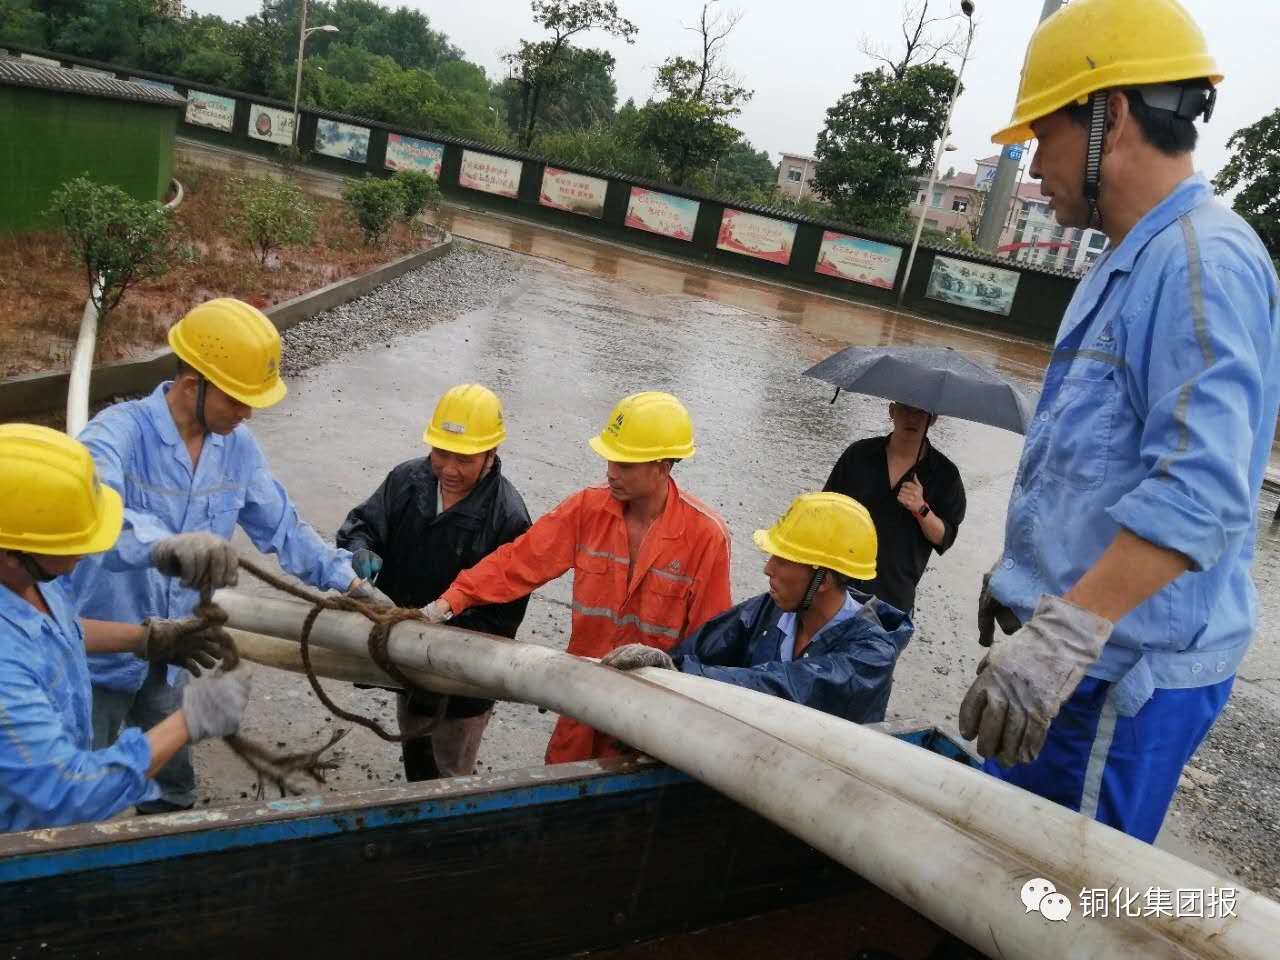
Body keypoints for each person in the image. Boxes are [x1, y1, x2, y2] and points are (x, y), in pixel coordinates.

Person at [960, 0, 1280, 843]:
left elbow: (1202, 494)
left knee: (1057, 904)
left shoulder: (1203, 264)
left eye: (1043, 134)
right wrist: (1026, 584)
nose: (1034, 166)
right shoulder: (1125, 263)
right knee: (1004, 874)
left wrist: (1062, 635)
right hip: (1073, 659)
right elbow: (1093, 465)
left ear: (1113, 114)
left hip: (1114, 678)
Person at [72, 298, 386, 814]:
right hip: (98, 660)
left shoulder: (236, 448)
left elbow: (282, 526)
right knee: (80, 803)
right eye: (238, 400)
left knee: (170, 788)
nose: (248, 413)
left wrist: (346, 580)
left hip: (175, 655)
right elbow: (90, 510)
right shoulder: (117, 434)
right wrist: (165, 546)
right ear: (193, 386)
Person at [424, 391, 733, 763]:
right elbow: (517, 562)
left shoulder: (705, 536)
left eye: (625, 464)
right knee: (559, 787)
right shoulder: (587, 510)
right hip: (585, 695)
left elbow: (711, 642)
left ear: (663, 466)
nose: (611, 472)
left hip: (655, 711)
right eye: (609, 459)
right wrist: (449, 601)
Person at [0, 424, 250, 833]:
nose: (89, 550)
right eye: (73, 543)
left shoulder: (25, 581)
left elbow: (56, 631)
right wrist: (190, 718)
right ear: (13, 553)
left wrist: (147, 639)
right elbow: (68, 792)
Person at [337, 384, 532, 781]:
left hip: (461, 675)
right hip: (402, 651)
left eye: (465, 458)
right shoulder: (407, 480)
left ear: (491, 455)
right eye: (441, 453)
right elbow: (362, 526)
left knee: (450, 765)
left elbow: (502, 618)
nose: (449, 469)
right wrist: (359, 551)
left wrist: (435, 631)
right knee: (414, 743)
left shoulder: (508, 518)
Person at [602, 492, 913, 724]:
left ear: (823, 579)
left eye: (782, 559)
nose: (768, 568)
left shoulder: (871, 657)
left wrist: (680, 673)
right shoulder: (769, 612)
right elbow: (699, 651)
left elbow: (787, 687)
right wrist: (660, 668)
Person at [823, 402, 966, 615]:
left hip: (892, 598)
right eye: (906, 408)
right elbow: (825, 513)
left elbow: (944, 537)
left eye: (921, 411)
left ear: (933, 419)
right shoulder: (858, 455)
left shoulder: (945, 475)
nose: (912, 418)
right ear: (892, 411)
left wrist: (921, 509)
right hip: (838, 585)